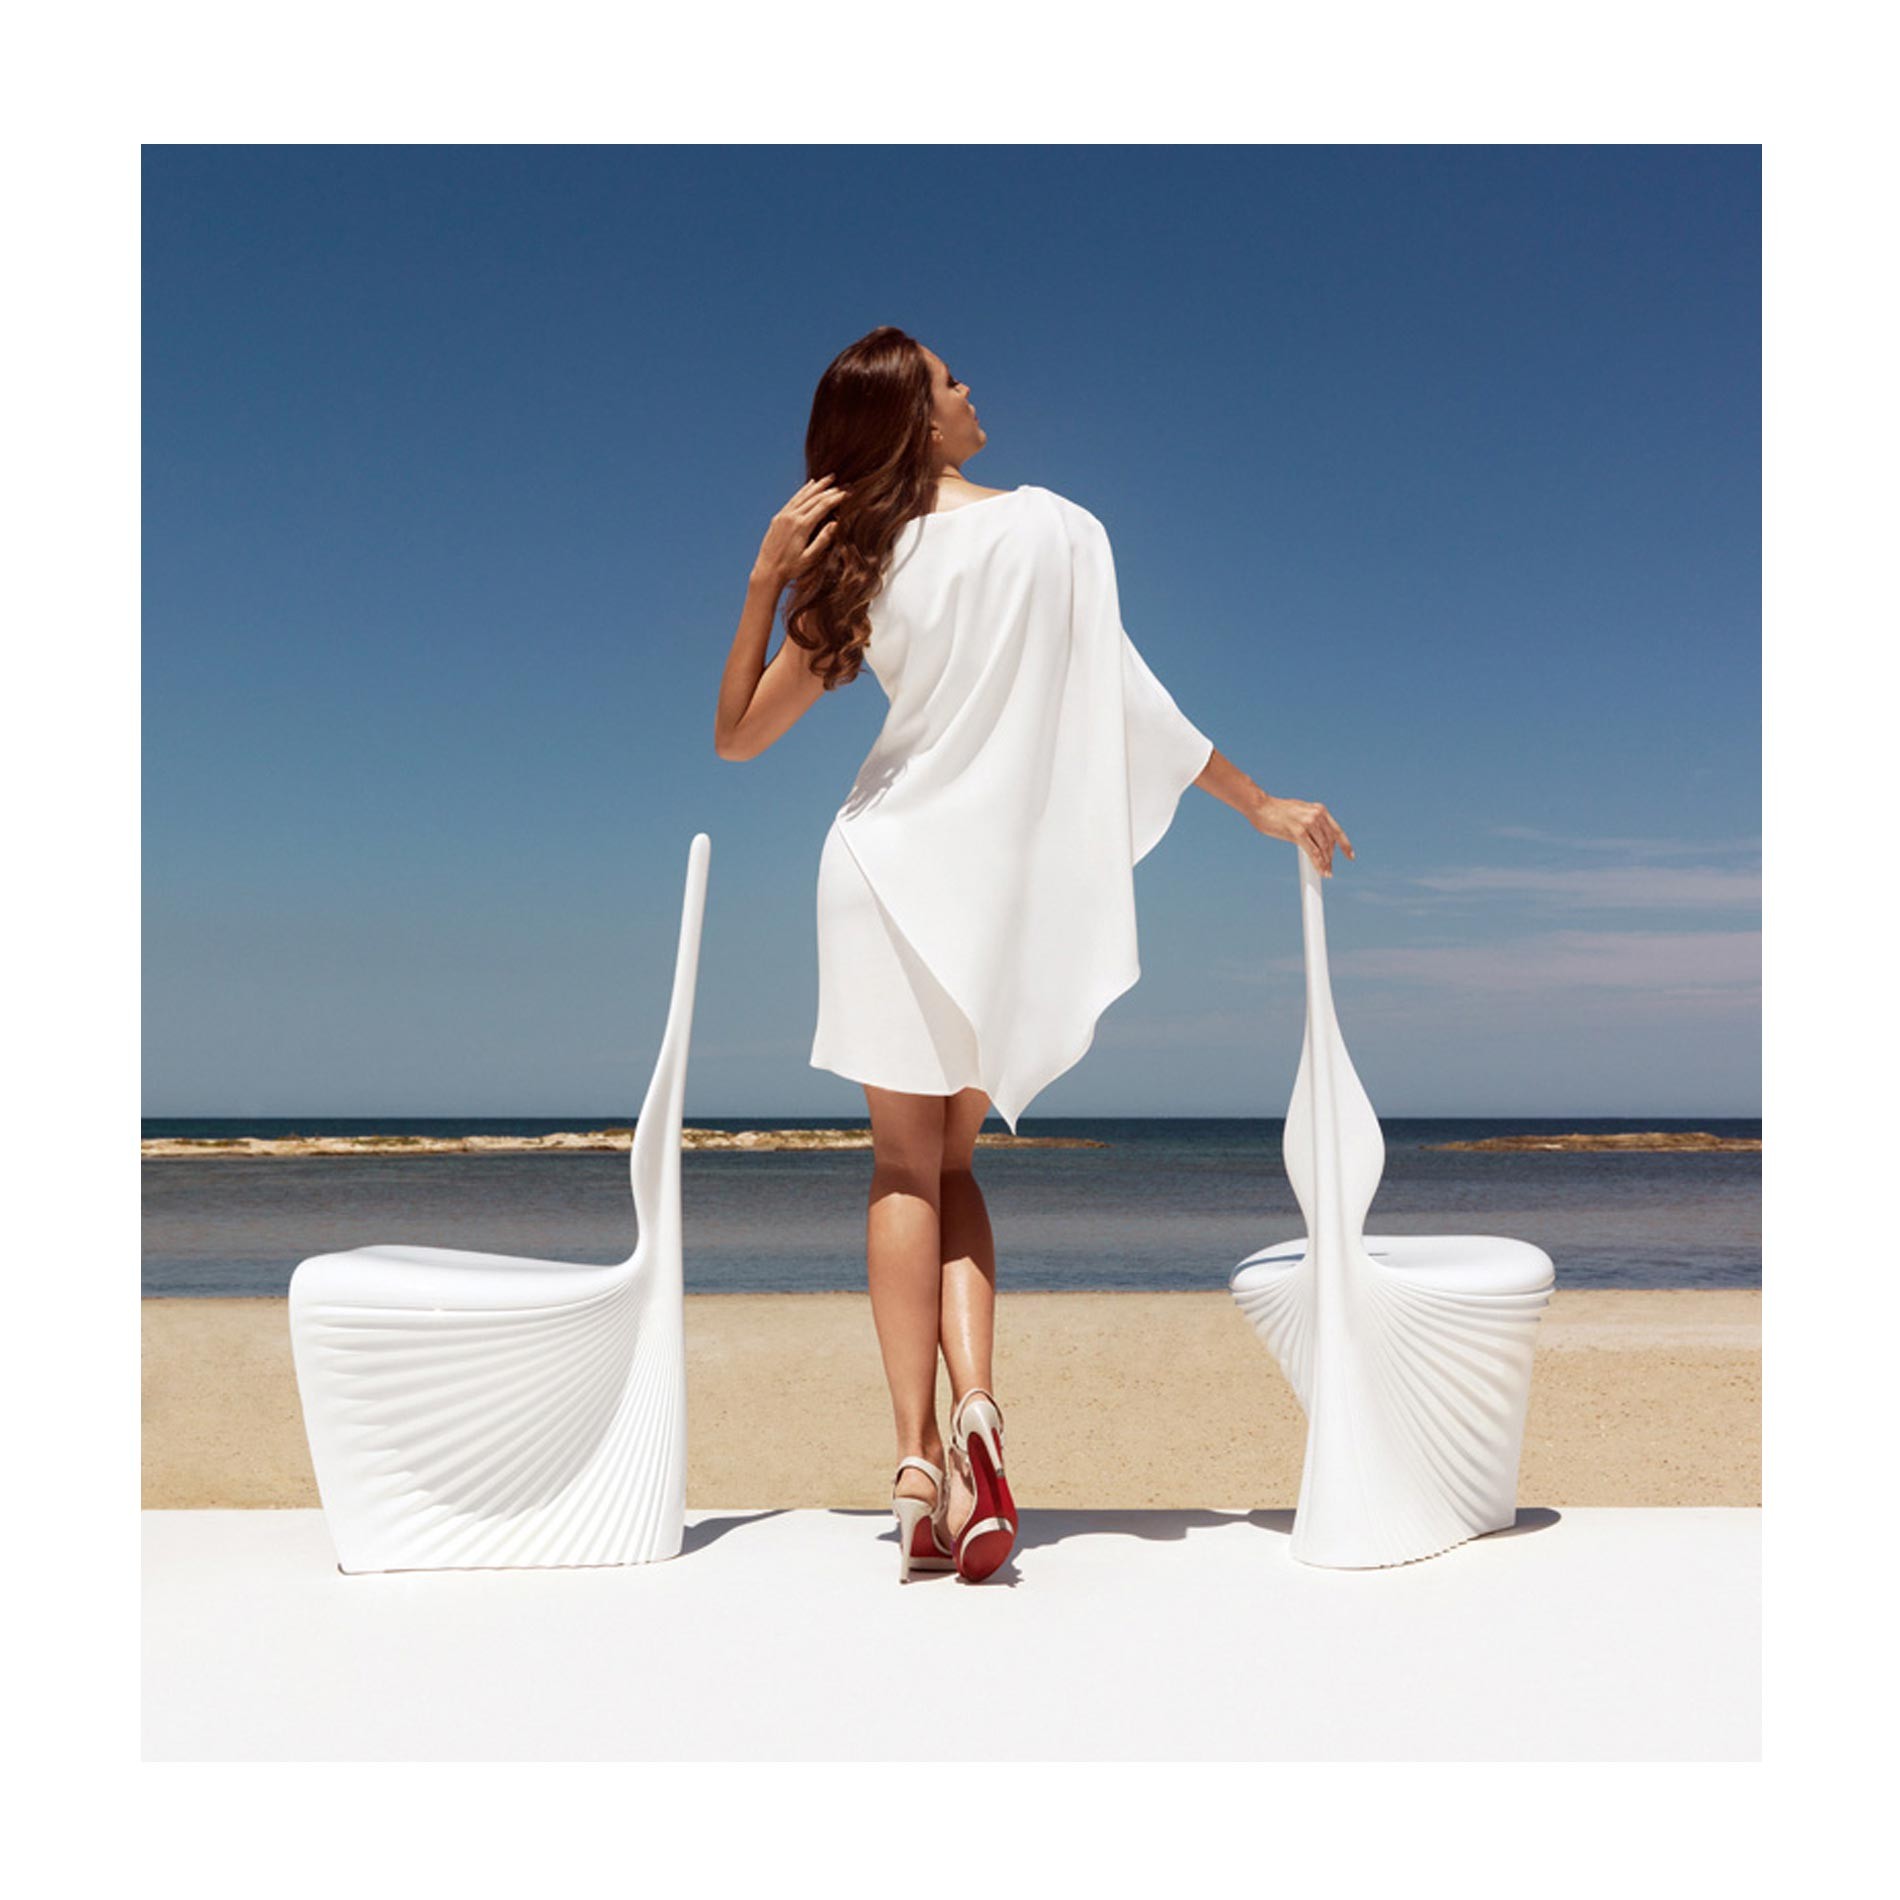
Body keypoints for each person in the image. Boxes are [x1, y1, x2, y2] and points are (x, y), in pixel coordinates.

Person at [713, 326, 1352, 1583]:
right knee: (952, 1164)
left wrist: (760, 581)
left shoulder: (862, 559)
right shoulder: (1057, 528)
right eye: (949, 379)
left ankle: (914, 1467)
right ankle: (978, 1413)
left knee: (902, 1167)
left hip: (880, 873)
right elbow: (1128, 700)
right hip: (986, 889)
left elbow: (736, 736)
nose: (970, 390)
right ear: (917, 418)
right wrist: (1257, 803)